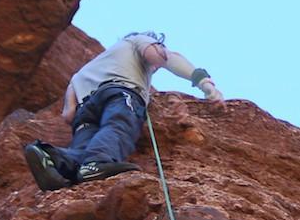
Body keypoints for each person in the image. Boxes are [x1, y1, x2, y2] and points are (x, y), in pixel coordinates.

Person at [22, 31, 223, 190]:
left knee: (83, 149)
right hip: (120, 93)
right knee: (119, 125)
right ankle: (97, 163)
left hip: (84, 112)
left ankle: (51, 156)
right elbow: (163, 57)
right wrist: (204, 82)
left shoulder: (82, 72)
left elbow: (69, 114)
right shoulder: (138, 40)